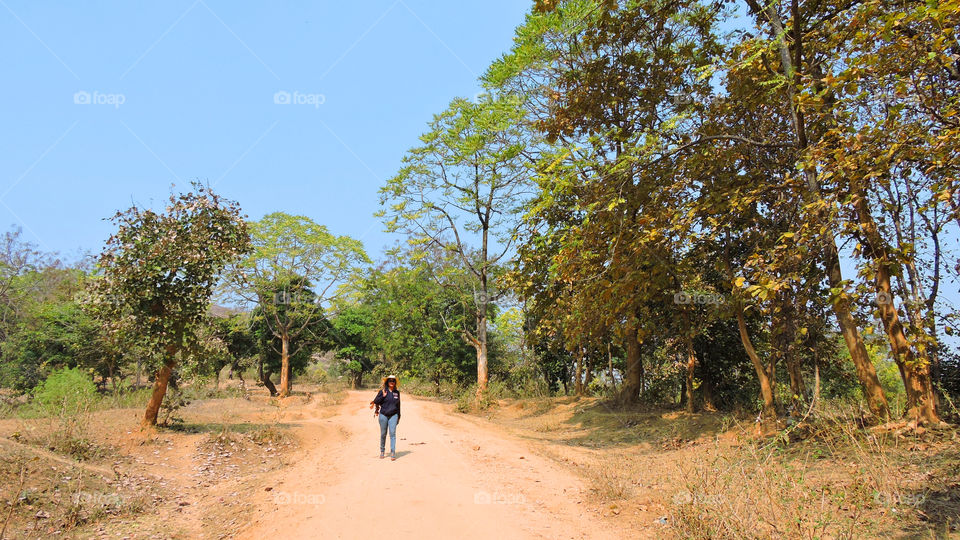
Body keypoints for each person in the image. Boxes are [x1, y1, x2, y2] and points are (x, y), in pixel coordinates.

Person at [369, 375, 401, 460]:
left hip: (393, 415)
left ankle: (393, 452)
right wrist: (382, 396)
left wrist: (399, 416)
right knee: (383, 434)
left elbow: (398, 405)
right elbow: (376, 401)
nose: (392, 382)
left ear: (395, 383)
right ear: (387, 382)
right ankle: (382, 451)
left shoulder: (397, 392)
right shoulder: (383, 391)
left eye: (393, 381)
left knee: (393, 434)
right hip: (383, 415)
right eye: (390, 380)